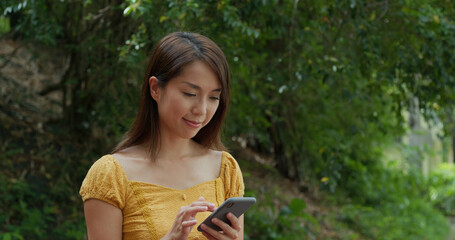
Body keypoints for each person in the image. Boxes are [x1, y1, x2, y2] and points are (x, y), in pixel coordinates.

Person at [79, 32, 245, 240]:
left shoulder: (225, 170)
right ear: (155, 88)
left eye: (213, 97)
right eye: (190, 94)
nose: (202, 110)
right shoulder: (110, 176)